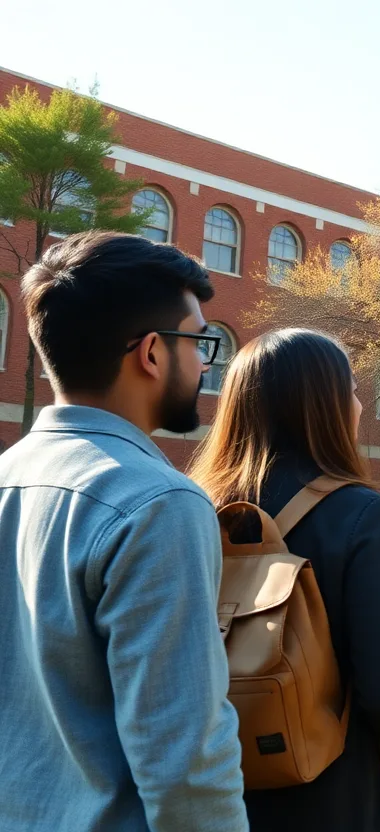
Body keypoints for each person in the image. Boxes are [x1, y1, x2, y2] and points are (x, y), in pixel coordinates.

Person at [0, 232, 246, 830]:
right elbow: (186, 760)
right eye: (201, 341)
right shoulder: (159, 503)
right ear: (153, 353)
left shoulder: (8, 474)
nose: (206, 362)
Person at [189, 328, 380, 830]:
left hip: (218, 781)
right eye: (353, 391)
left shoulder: (192, 507)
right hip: (338, 787)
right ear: (324, 404)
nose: (359, 406)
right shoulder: (361, 512)